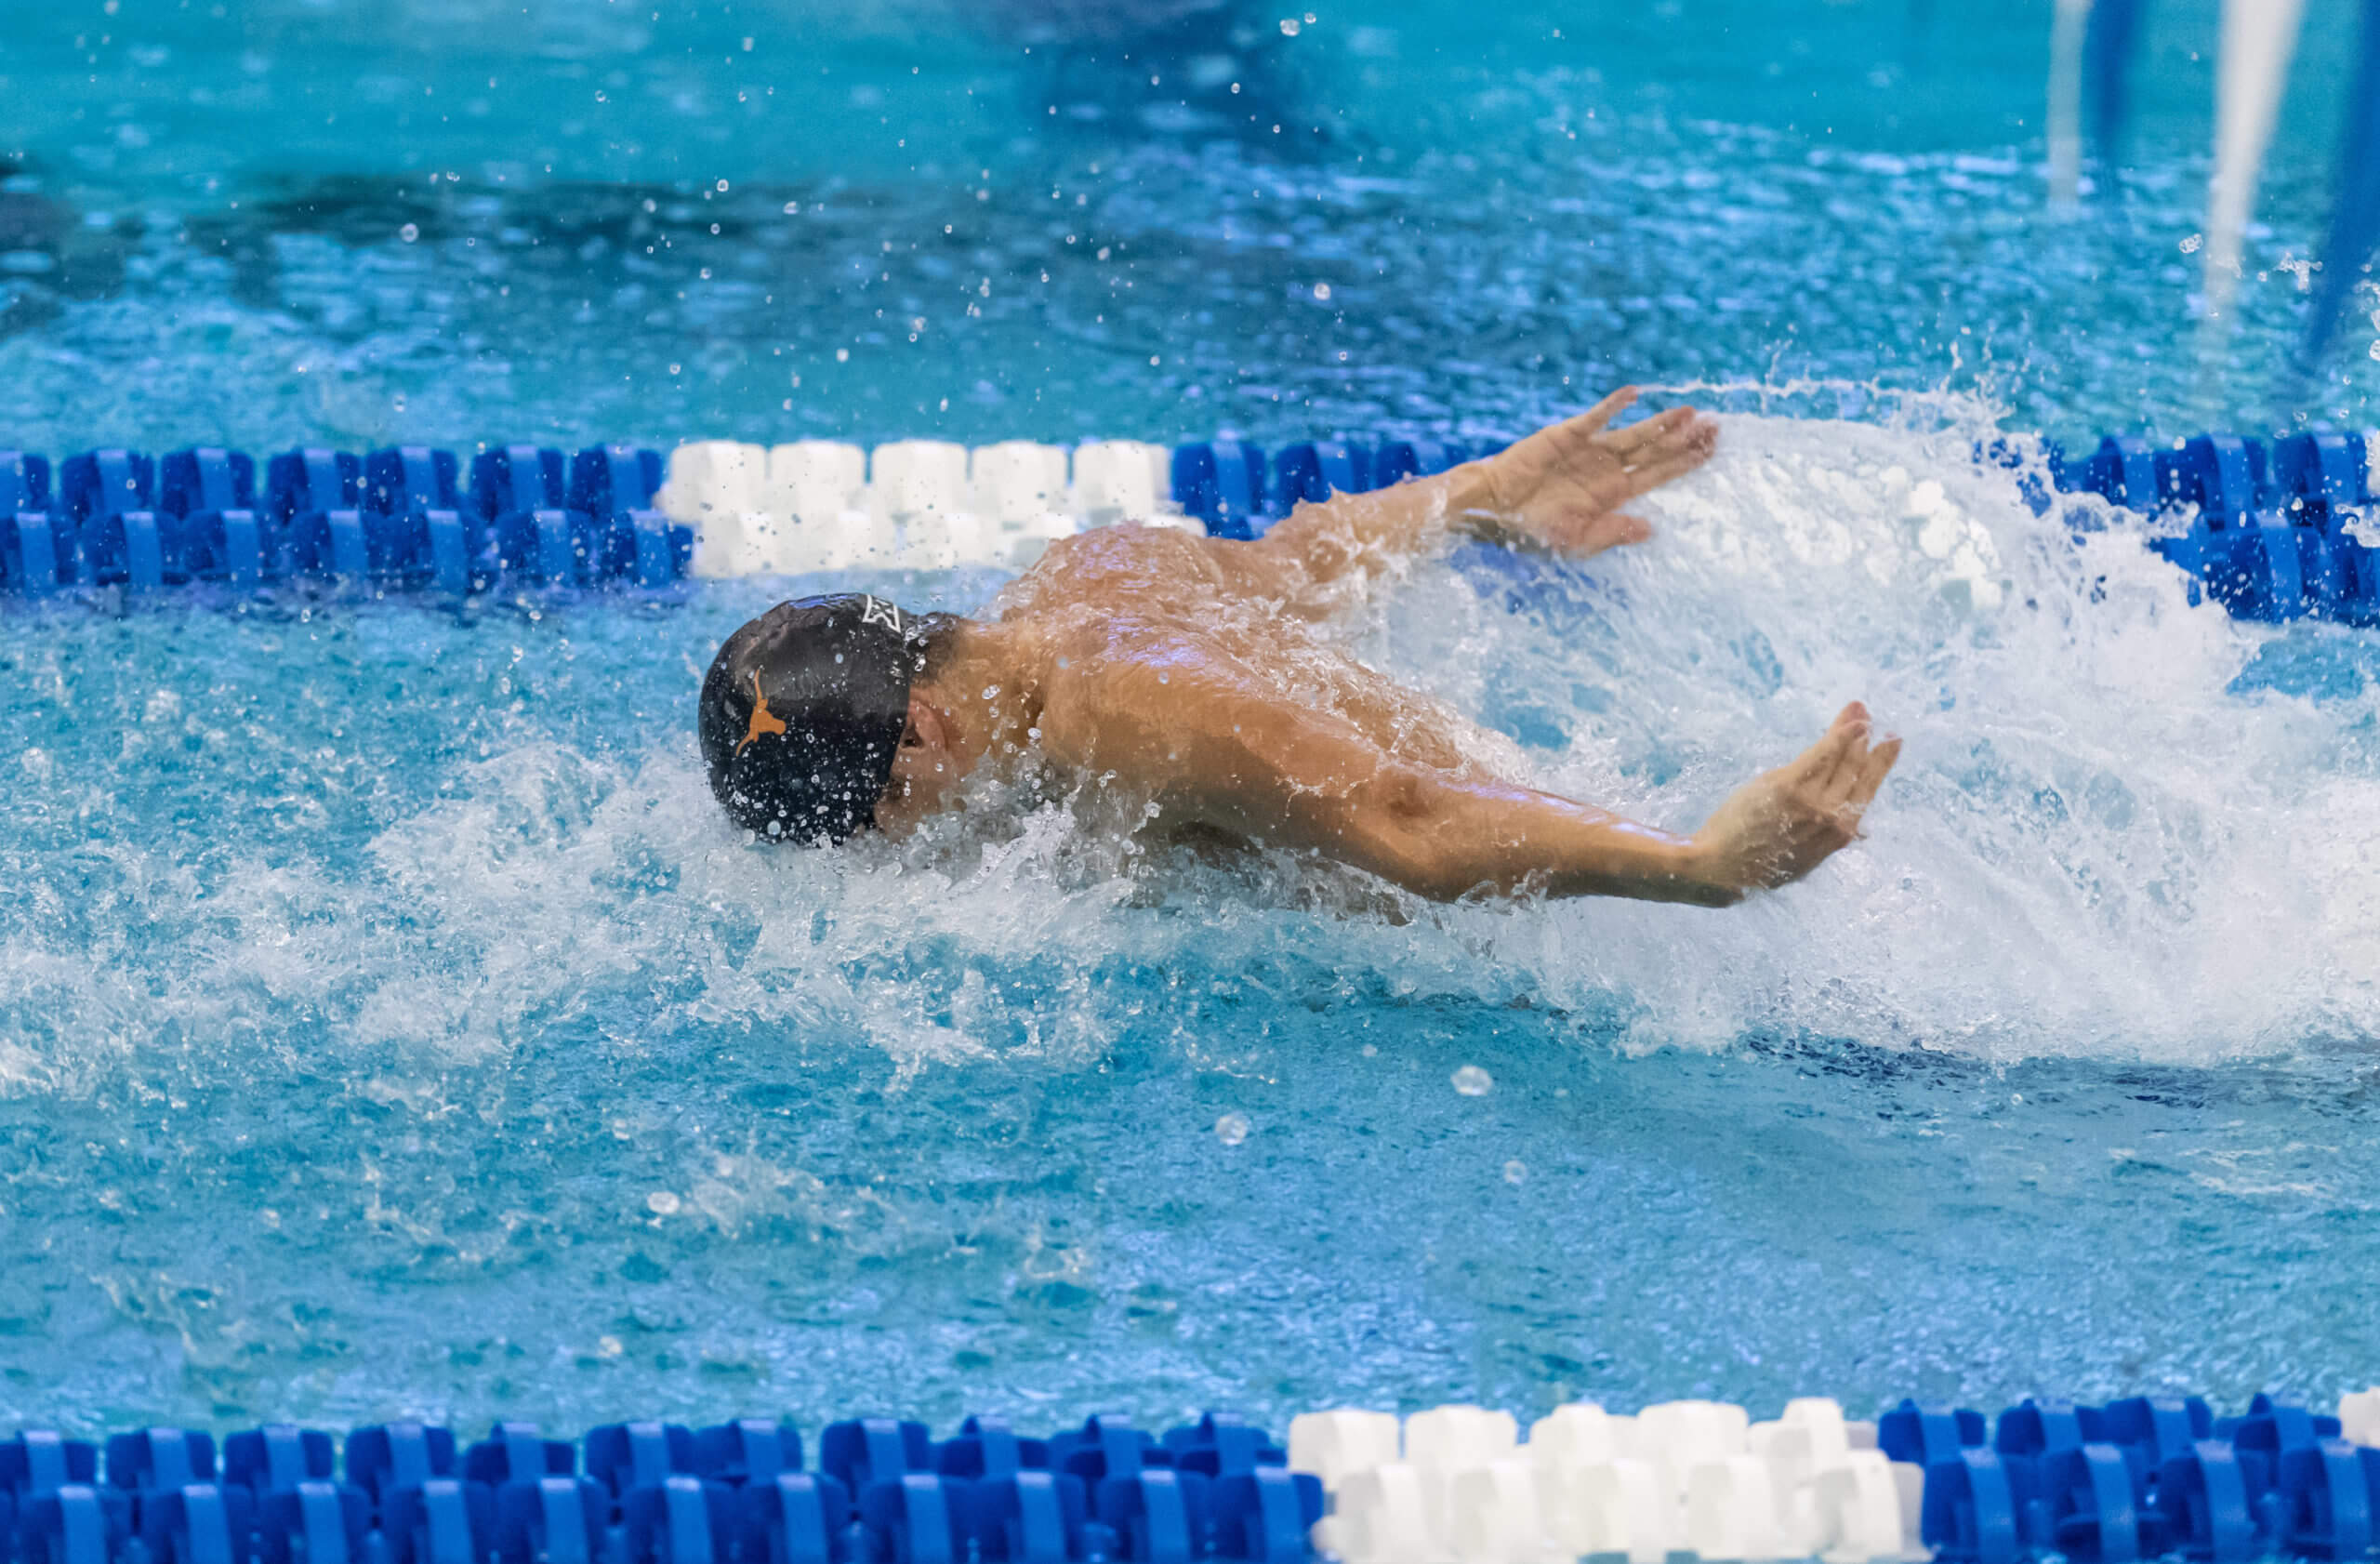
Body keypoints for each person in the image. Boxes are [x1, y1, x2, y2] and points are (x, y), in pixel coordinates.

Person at [697, 389, 1900, 906]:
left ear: (924, 727)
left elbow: (1413, 822)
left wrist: (1704, 865)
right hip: (1547, 799)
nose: (879, 848)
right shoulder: (1089, 572)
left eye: (869, 815)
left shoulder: (1124, 710)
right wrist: (1479, 495)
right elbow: (1301, 564)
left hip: (1569, 903)